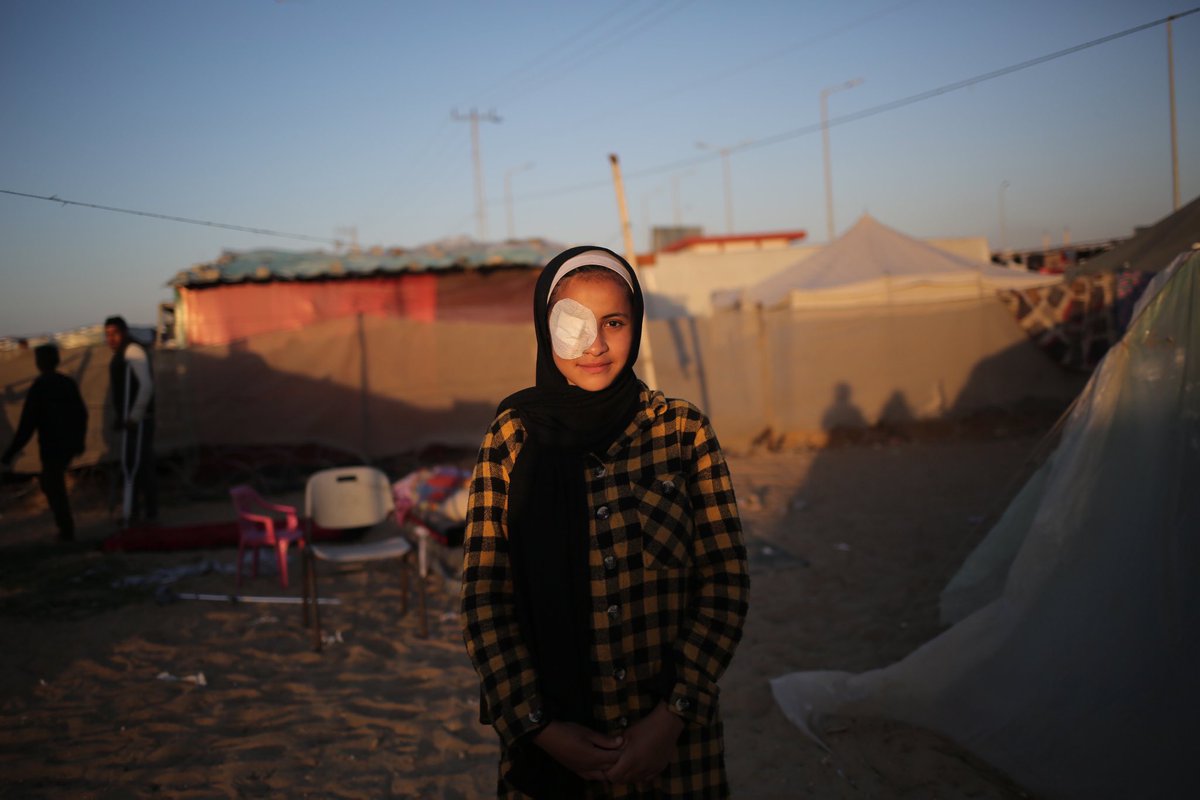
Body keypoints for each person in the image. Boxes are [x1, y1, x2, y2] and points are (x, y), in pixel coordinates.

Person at [461, 245, 750, 798]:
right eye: (575, 324)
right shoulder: (513, 439)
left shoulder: (681, 433)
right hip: (553, 755)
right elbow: (484, 597)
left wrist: (674, 714)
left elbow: (725, 581)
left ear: (636, 325)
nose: (594, 344)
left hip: (675, 751)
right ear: (546, 332)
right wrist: (540, 727)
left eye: (613, 322)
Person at [1, 344, 88, 540]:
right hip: (65, 444)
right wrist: (79, 441)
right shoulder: (67, 384)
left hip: (51, 446)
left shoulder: (40, 387)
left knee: (53, 485)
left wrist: (10, 452)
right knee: (52, 484)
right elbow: (82, 414)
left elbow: (27, 425)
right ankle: (65, 528)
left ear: (39, 363)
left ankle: (66, 530)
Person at [104, 315, 158, 523]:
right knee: (132, 466)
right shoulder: (122, 352)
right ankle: (133, 510)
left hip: (141, 420)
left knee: (141, 466)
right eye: (108, 335)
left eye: (115, 334)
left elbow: (146, 386)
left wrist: (134, 416)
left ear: (124, 333)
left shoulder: (132, 351)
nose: (111, 339)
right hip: (132, 420)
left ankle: (149, 513)